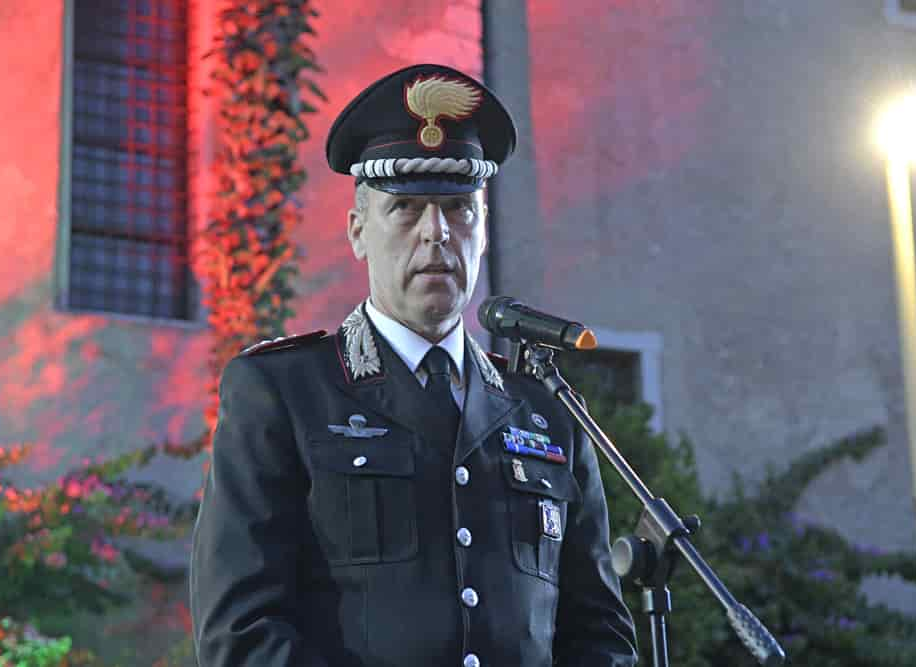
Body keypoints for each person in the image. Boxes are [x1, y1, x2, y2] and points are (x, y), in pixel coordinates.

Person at [189, 63, 638, 667]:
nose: (436, 234)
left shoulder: (546, 410)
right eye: (405, 209)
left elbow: (598, 634)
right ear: (357, 232)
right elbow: (240, 633)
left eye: (460, 211)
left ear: (483, 236)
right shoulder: (285, 391)